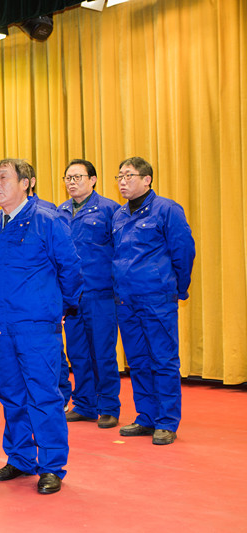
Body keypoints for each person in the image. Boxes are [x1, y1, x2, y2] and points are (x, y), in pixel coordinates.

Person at [0, 158, 81, 494]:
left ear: (27, 183)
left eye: (4, 178)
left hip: (37, 325)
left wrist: (59, 306)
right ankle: (20, 457)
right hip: (2, 326)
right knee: (11, 395)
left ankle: (51, 466)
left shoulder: (46, 219)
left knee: (43, 395)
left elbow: (70, 268)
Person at [112, 157, 195, 445]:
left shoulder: (167, 209)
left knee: (163, 360)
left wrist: (176, 288)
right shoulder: (119, 215)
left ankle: (167, 421)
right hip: (126, 300)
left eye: (129, 175)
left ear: (147, 179)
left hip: (156, 297)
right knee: (137, 360)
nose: (122, 181)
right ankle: (146, 417)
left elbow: (184, 251)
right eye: (119, 176)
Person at [56, 160, 121, 429]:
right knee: (78, 352)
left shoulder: (109, 209)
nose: (72, 182)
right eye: (68, 178)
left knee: (103, 353)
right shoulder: (60, 211)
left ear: (93, 180)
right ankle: (84, 404)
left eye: (78, 177)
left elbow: (120, 251)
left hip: (100, 293)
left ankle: (108, 406)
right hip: (72, 296)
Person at [25, 161, 73, 408]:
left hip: (45, 297)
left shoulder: (47, 212)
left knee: (54, 352)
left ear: (29, 183)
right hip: (21, 301)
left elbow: (65, 262)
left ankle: (62, 394)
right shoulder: (2, 217)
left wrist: (64, 301)